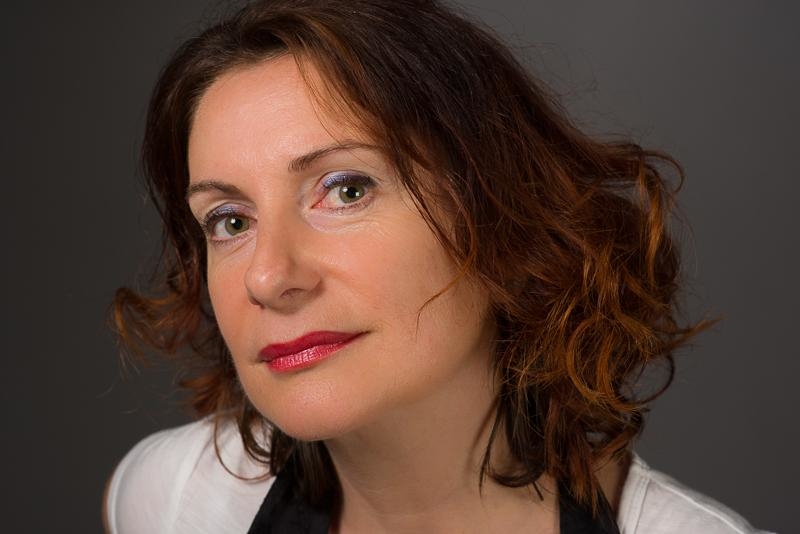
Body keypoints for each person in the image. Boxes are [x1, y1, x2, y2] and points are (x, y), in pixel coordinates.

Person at [104, 1, 771, 533]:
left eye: (346, 190)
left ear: (499, 212)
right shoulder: (175, 499)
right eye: (230, 221)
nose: (268, 276)